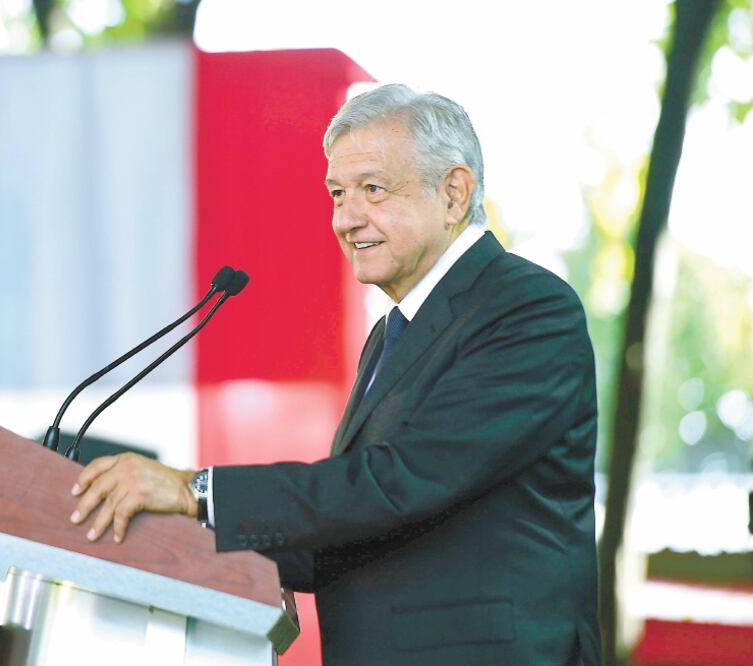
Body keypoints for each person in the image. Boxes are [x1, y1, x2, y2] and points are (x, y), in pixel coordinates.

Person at [68, 84, 600, 665]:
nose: (346, 219)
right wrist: (173, 527)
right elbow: (356, 532)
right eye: (337, 193)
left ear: (453, 193)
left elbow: (400, 484)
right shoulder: (391, 336)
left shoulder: (526, 308)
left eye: (373, 189)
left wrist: (195, 492)